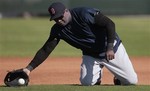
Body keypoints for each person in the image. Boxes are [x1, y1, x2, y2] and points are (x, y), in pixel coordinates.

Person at [23, 2, 138, 86]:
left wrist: (110, 46)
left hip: (112, 50)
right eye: (55, 18)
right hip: (91, 54)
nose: (58, 20)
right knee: (86, 83)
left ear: (66, 11)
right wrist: (28, 69)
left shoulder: (84, 14)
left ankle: (118, 78)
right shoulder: (57, 30)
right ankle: (97, 76)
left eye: (60, 16)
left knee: (131, 81)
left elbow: (110, 24)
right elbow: (46, 50)